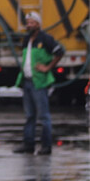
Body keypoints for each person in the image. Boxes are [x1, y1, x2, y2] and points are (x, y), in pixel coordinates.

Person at [13, 11, 64, 155]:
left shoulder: (45, 39)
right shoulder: (27, 39)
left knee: (43, 116)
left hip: (39, 82)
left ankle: (46, 146)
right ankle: (28, 144)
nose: (29, 25)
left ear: (38, 24)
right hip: (27, 81)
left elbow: (59, 52)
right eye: (27, 22)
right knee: (29, 115)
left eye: (32, 22)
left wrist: (48, 67)